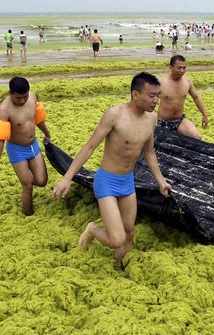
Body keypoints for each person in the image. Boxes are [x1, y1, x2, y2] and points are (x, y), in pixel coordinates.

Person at [52, 72, 171, 263]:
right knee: (117, 239)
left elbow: (149, 153)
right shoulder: (114, 115)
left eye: (158, 95)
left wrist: (161, 181)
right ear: (135, 95)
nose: (156, 100)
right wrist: (67, 178)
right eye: (151, 95)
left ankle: (117, 266)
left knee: (129, 233)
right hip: (106, 181)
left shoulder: (151, 118)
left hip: (127, 182)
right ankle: (92, 230)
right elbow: (90, 147)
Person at [0, 77, 49, 216]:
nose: (22, 101)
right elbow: (0, 138)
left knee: (42, 181)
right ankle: (29, 214)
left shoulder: (32, 97)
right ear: (10, 93)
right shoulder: (4, 109)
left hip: (33, 146)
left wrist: (47, 133)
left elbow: (38, 119)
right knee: (27, 186)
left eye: (25, 97)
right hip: (17, 150)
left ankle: (25, 180)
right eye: (18, 98)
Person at [157, 55, 209, 140]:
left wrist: (204, 115)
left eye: (184, 68)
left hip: (179, 120)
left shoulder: (187, 82)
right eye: (179, 68)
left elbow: (196, 97)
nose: (182, 71)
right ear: (171, 67)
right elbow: (149, 101)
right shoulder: (161, 82)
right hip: (163, 122)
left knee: (197, 137)